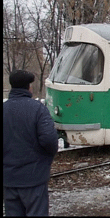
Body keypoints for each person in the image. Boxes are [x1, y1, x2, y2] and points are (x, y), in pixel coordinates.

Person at [3, 70, 58, 216]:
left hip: (9, 180)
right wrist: (46, 159)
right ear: (28, 87)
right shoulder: (38, 109)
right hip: (34, 178)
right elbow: (49, 140)